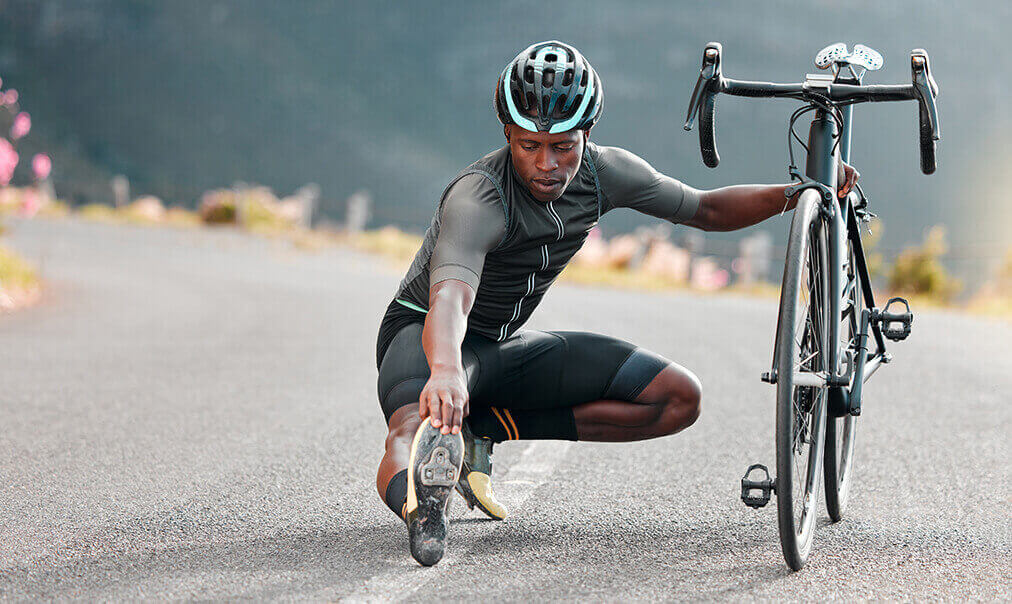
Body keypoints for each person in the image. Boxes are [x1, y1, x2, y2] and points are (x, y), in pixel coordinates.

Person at [374, 40, 858, 566]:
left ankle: (485, 428)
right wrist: (445, 371)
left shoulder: (605, 173)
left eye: (564, 146)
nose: (547, 164)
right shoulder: (479, 197)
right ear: (508, 135)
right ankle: (423, 505)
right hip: (424, 340)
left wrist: (799, 193)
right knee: (410, 427)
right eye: (529, 145)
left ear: (587, 135)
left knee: (677, 397)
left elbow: (704, 209)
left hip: (496, 350)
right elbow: (450, 298)